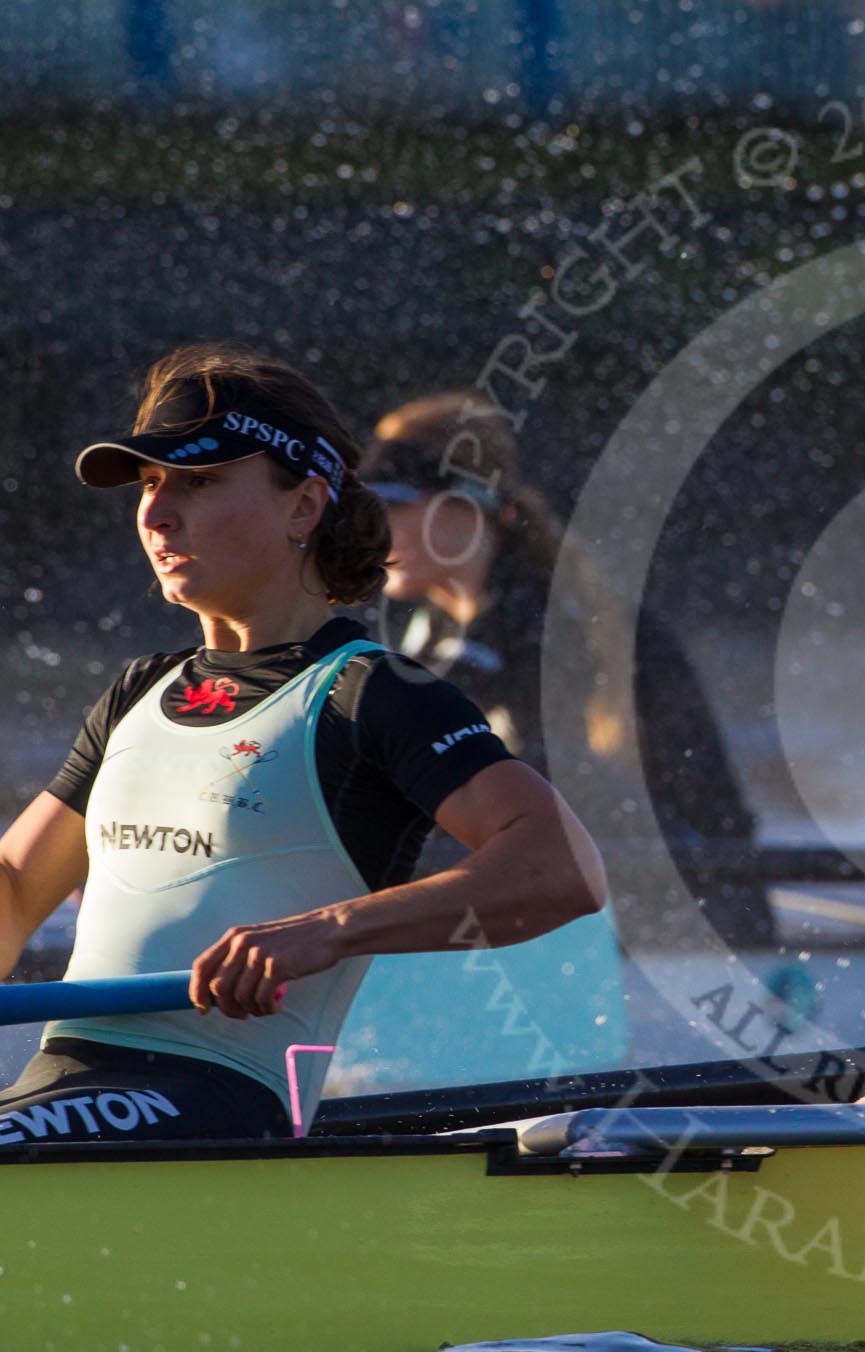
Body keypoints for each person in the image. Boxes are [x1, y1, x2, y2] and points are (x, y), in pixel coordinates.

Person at [0, 344, 606, 1142]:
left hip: (220, 1099)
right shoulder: (140, 691)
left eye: (201, 481)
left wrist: (328, 931)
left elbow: (563, 869)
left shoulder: (374, 694)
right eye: (151, 484)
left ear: (303, 506)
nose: (157, 513)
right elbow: (15, 881)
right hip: (59, 1084)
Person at [360, 393, 773, 948]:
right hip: (614, 899)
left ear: (460, 508)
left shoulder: (546, 626)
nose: (371, 532)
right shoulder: (437, 631)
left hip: (704, 920)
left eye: (391, 507)